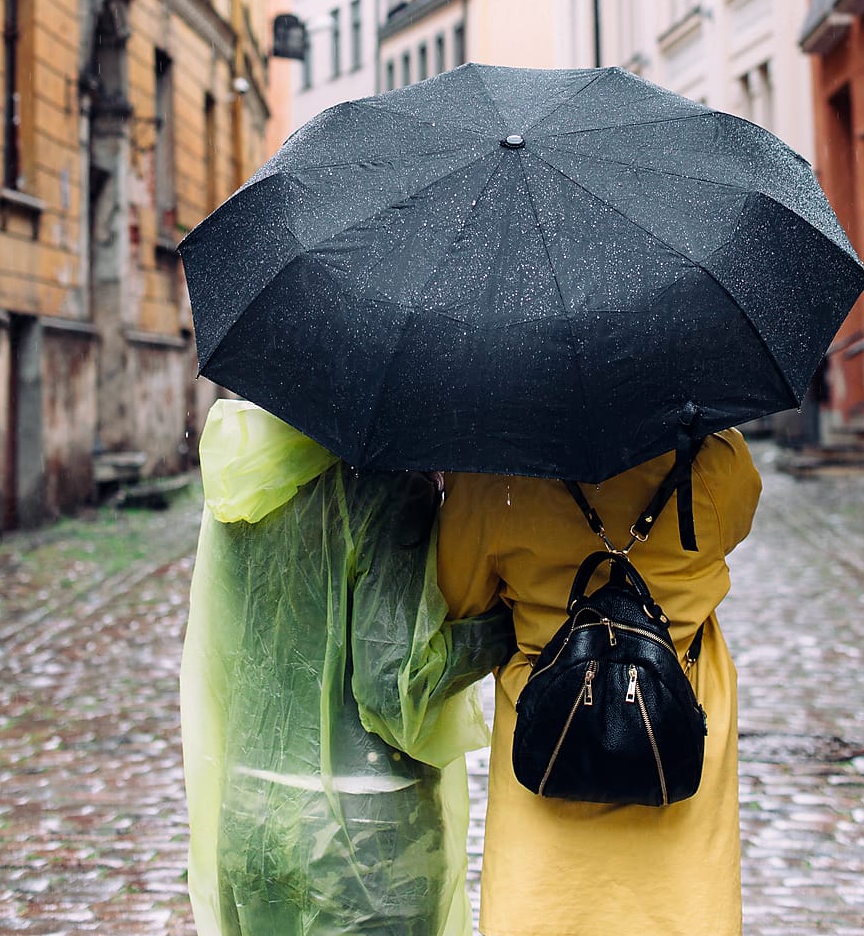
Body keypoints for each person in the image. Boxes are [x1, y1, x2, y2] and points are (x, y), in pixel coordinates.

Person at [182, 397, 514, 936]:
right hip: (363, 843)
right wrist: (500, 627)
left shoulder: (243, 480)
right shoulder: (391, 492)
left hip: (250, 822)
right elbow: (392, 691)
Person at [437, 430, 762, 936]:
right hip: (678, 714)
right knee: (678, 908)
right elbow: (734, 523)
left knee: (548, 909)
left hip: (552, 726)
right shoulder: (715, 457)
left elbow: (459, 598)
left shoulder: (495, 472)